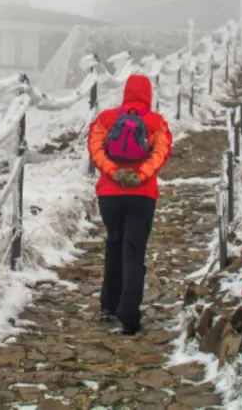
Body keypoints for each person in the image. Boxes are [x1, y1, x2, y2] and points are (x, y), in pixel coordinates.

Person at [87, 73, 173, 335]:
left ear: (126, 93)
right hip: (142, 195)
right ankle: (129, 312)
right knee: (133, 253)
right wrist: (140, 175)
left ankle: (108, 305)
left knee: (114, 244)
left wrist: (115, 173)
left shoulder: (106, 119)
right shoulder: (156, 123)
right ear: (149, 94)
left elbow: (95, 149)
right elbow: (161, 153)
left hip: (110, 195)